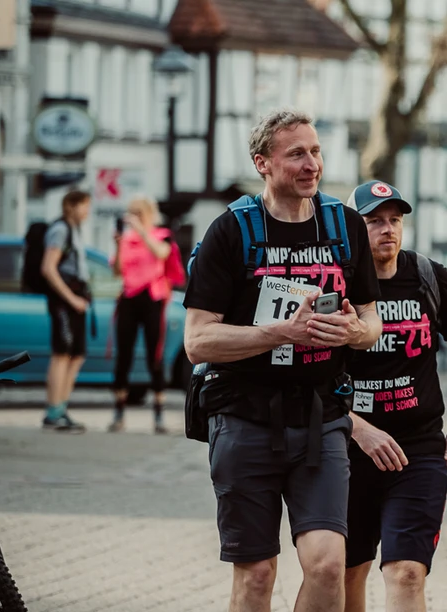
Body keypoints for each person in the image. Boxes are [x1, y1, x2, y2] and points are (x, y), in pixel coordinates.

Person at [183, 109, 382, 612]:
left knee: (328, 565)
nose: (311, 163)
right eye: (296, 153)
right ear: (263, 164)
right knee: (256, 576)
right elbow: (198, 341)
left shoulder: (345, 226)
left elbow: (371, 322)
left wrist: (356, 332)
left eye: (315, 151)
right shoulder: (231, 231)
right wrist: (280, 334)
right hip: (243, 418)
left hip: (322, 418)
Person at [342, 180, 447, 612]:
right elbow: (311, 374)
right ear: (351, 230)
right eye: (374, 221)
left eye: (395, 220)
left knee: (406, 571)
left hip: (417, 450)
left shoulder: (430, 277)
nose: (388, 230)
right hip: (345, 450)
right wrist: (357, 427)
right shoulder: (337, 287)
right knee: (347, 573)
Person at [108, 196, 177, 434]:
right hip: (129, 298)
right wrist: (118, 245)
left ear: (149, 214)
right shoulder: (126, 240)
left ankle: (159, 414)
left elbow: (161, 254)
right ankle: (118, 413)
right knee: (123, 355)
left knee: (154, 356)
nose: (134, 217)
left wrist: (143, 231)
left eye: (139, 212)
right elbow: (117, 270)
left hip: (152, 298)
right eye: (131, 212)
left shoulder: (161, 235)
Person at [41, 189, 93, 433]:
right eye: (84, 206)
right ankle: (53, 412)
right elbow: (48, 268)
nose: (88, 211)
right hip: (64, 302)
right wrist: (71, 299)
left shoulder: (74, 230)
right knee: (61, 353)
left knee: (76, 354)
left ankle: (61, 408)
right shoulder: (60, 230)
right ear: (72, 206)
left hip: (76, 301)